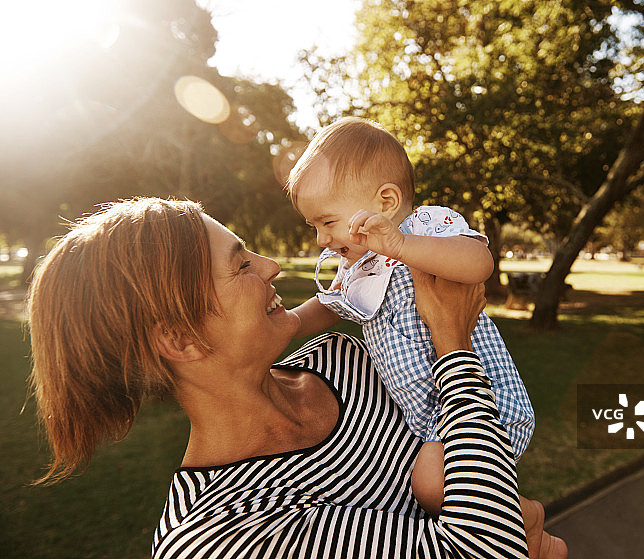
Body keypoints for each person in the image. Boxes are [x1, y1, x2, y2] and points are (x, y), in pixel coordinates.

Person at [26, 198, 566, 558]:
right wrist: (452, 341)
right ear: (182, 340)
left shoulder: (342, 359)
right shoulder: (222, 534)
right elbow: (484, 549)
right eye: (241, 265)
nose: (271, 266)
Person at [284, 117, 542, 511]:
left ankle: (520, 520)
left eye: (328, 222)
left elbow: (478, 263)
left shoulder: (427, 226)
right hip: (425, 418)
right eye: (313, 225)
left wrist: (402, 245)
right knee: (417, 493)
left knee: (430, 489)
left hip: (483, 399)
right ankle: (515, 525)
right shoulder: (355, 265)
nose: (321, 239)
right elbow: (330, 305)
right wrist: (290, 323)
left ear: (385, 202)